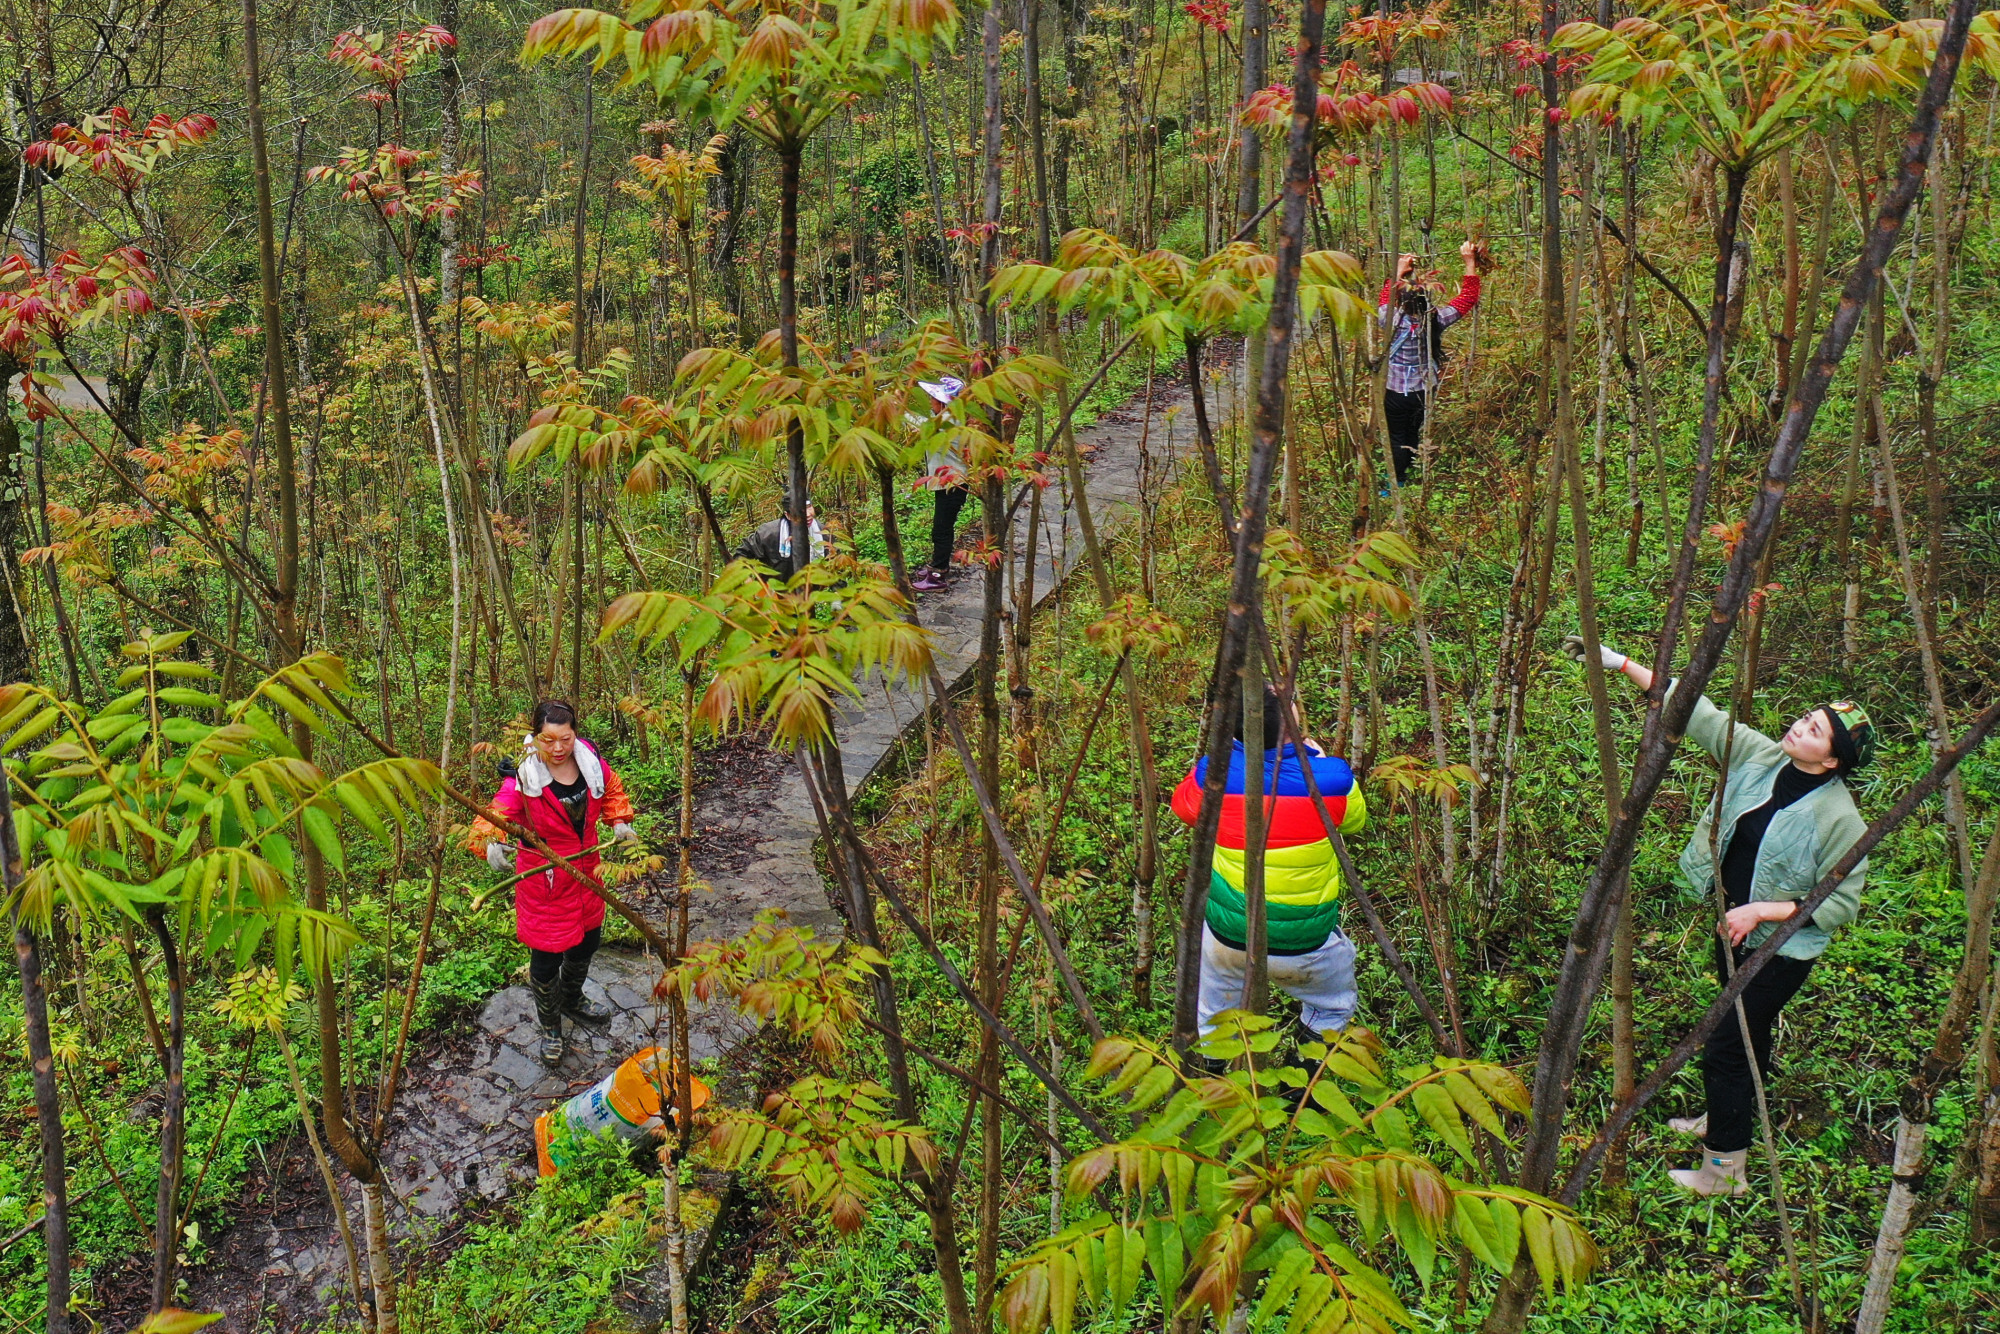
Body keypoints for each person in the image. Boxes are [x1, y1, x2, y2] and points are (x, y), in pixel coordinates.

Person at [1564, 635, 1874, 1198]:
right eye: (1805, 718)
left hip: (1777, 950)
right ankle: (1725, 1116)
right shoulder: (1763, 758)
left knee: (1727, 1047)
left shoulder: (1840, 820)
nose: (1798, 728)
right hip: (1731, 924)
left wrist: (1763, 911)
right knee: (1747, 1035)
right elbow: (1702, 714)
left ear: (1832, 761)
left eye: (1813, 731)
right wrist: (1621, 663)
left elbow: (1840, 903)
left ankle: (1724, 1170)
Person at [1170, 685, 1369, 1047]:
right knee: (1332, 1010)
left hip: (1228, 934)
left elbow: (1183, 806)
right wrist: (1317, 760)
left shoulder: (1212, 777)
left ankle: (1214, 1083)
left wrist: (1213, 760)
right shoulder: (1330, 781)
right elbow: (1355, 821)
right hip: (1305, 943)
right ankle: (1302, 1090)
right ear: (1289, 723)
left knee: (1212, 1015)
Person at [469, 700, 639, 1067]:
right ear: (535, 739)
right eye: (548, 740)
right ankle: (551, 1027)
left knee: (588, 942)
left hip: (587, 871)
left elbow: (611, 790)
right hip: (544, 880)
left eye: (565, 738)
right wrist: (489, 840)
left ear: (575, 733)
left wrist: (619, 819)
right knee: (546, 959)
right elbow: (498, 811)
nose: (558, 748)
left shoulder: (590, 762)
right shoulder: (524, 777)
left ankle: (572, 998)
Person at [1378, 241, 1482, 488]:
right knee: (1413, 431)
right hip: (1423, 390)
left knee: (1396, 435)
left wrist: (1398, 272)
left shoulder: (1390, 320)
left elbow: (1386, 297)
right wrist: (1469, 262)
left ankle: (1397, 480)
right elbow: (1467, 298)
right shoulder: (1435, 320)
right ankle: (1411, 472)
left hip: (1395, 390)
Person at [909, 375, 966, 593]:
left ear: (942, 403)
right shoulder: (946, 420)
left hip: (953, 484)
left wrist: (895, 406)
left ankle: (938, 574)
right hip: (947, 483)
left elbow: (922, 426)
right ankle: (935, 566)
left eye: (933, 400)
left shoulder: (948, 423)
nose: (930, 403)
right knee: (941, 528)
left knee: (941, 530)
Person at [733, 498, 823, 574]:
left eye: (809, 507)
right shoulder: (768, 533)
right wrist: (747, 578)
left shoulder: (823, 532)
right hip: (775, 591)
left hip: (811, 592)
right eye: (800, 510)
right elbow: (741, 554)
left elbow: (833, 565)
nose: (807, 514)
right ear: (788, 515)